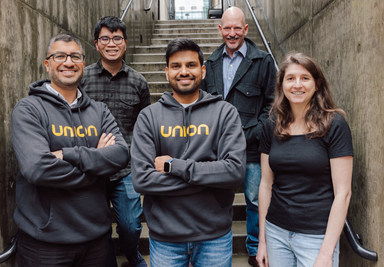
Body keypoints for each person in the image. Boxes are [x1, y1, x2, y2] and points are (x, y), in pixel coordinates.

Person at [11, 32, 130, 266]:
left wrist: (67, 154)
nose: (68, 62)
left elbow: (120, 155)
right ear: (47, 64)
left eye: (75, 56)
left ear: (83, 63)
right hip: (45, 243)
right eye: (60, 56)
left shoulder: (99, 110)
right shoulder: (28, 109)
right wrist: (97, 165)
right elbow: (38, 169)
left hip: (97, 240)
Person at [130, 38, 246, 267]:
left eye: (191, 65)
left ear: (202, 70)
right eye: (176, 66)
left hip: (214, 236)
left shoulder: (225, 113)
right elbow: (142, 179)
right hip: (166, 238)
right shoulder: (149, 116)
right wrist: (209, 177)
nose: (184, 72)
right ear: (166, 72)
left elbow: (234, 171)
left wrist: (175, 166)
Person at [256, 52, 353, 267]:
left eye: (305, 78)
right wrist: (262, 240)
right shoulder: (271, 124)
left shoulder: (334, 124)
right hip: (276, 233)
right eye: (290, 78)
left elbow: (343, 194)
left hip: (316, 237)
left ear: (317, 84)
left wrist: (327, 253)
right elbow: (265, 185)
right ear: (281, 85)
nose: (297, 85)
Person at [201, 6, 276, 266]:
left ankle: (256, 250)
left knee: (256, 200)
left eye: (237, 28)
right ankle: (214, 247)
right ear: (220, 29)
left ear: (246, 29)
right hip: (217, 150)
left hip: (253, 148)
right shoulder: (209, 63)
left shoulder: (263, 61)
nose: (232, 34)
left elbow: (273, 104)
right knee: (216, 199)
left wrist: (255, 132)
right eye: (227, 28)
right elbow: (201, 104)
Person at [80, 16, 150, 267]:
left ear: (125, 43)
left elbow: (144, 128)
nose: (111, 43)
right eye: (105, 38)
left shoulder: (138, 82)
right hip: (91, 166)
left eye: (117, 38)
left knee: (131, 225)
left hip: (126, 169)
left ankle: (131, 253)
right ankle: (106, 257)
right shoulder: (82, 79)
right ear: (97, 44)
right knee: (94, 224)